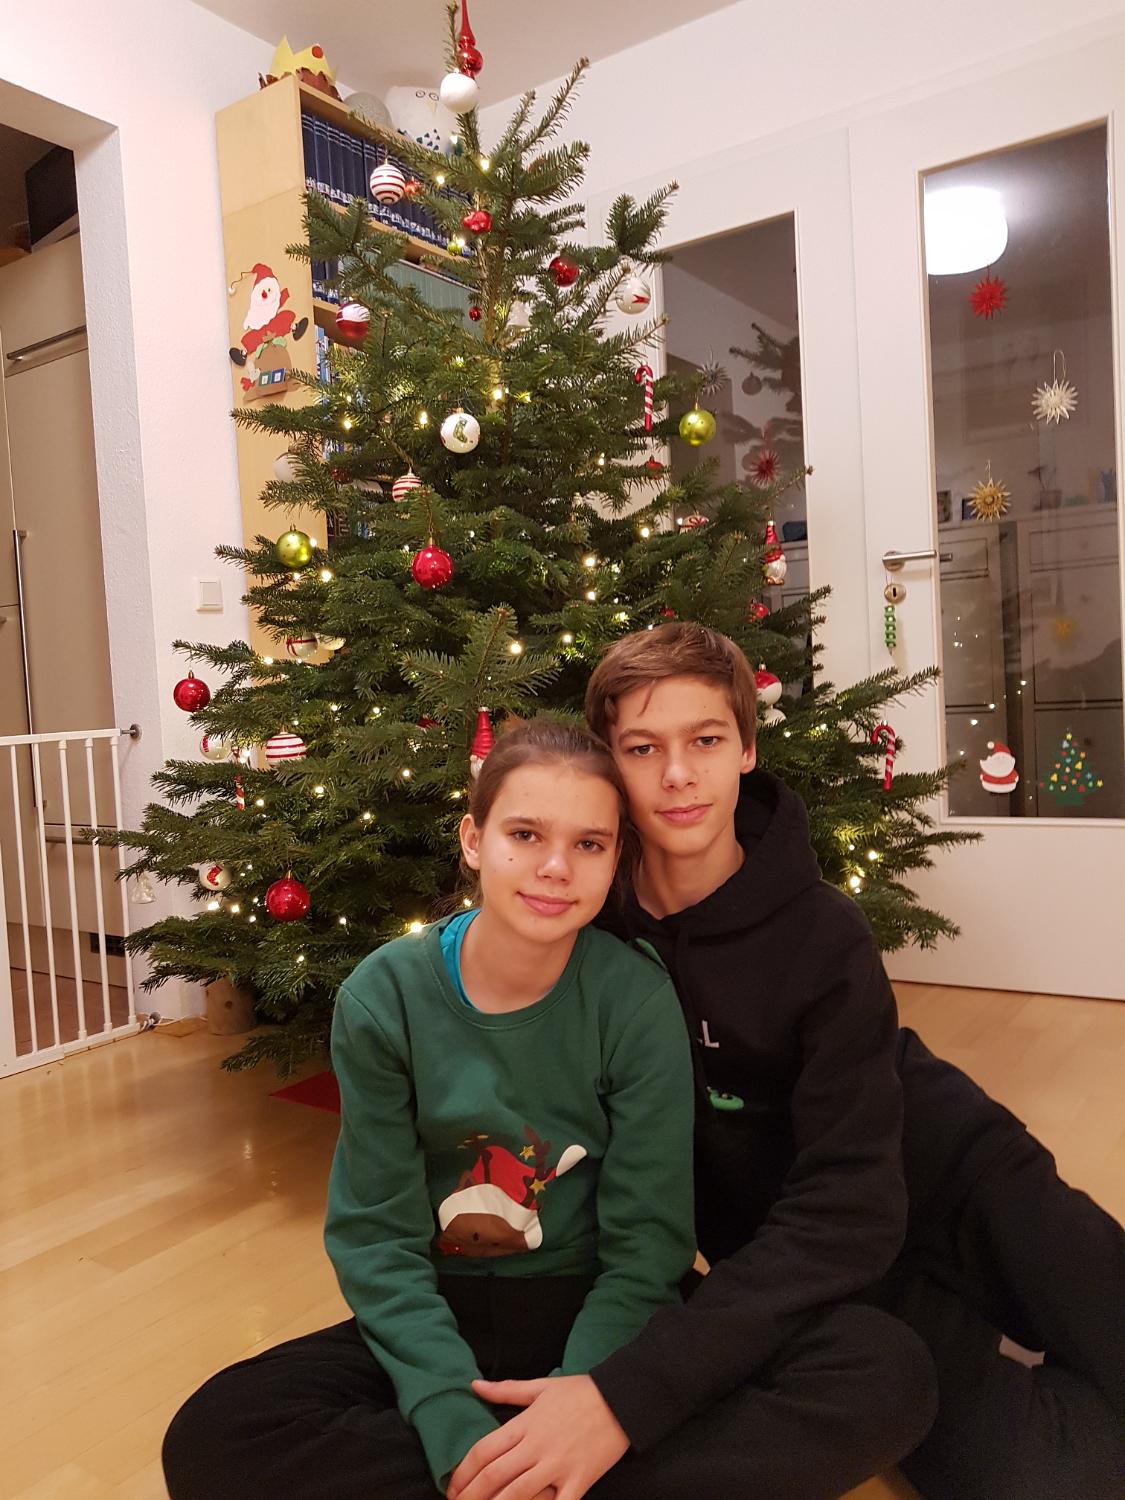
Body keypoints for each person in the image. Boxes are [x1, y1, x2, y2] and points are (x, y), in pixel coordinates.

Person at [448, 622, 1124, 1500]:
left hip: (956, 1176)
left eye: (705, 741)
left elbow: (857, 1193)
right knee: (1052, 1480)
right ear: (611, 765)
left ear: (746, 750)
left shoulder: (822, 932)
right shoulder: (585, 925)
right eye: (642, 749)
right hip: (817, 1253)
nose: (677, 774)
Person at [162, 718, 697, 1500]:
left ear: (616, 858)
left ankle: (548, 1467)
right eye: (524, 834)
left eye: (589, 844)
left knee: (857, 1371)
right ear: (473, 840)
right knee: (213, 1436)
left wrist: (584, 1404)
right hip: (441, 1307)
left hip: (593, 1304)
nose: (555, 868)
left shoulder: (635, 998)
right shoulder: (385, 996)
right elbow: (376, 1235)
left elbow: (647, 1245)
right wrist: (453, 1429)